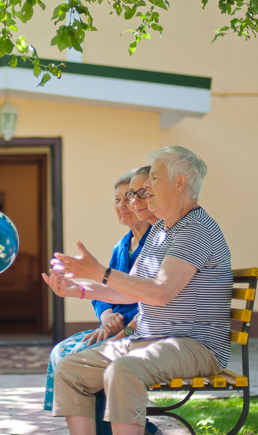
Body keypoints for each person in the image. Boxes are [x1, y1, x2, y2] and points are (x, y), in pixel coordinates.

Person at [43, 147, 232, 435]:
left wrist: (100, 272)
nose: (145, 188)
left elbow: (159, 293)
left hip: (194, 343)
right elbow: (129, 292)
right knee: (69, 370)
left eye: (154, 178)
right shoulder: (161, 231)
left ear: (180, 183)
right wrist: (76, 288)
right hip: (149, 339)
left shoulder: (195, 229)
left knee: (125, 369)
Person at [43, 170, 153, 419]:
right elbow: (106, 293)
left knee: (78, 358)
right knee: (61, 351)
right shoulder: (122, 245)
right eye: (116, 200)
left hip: (136, 330)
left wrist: (120, 324)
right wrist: (106, 317)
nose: (122, 205)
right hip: (113, 327)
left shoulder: (156, 244)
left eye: (128, 197)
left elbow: (149, 294)